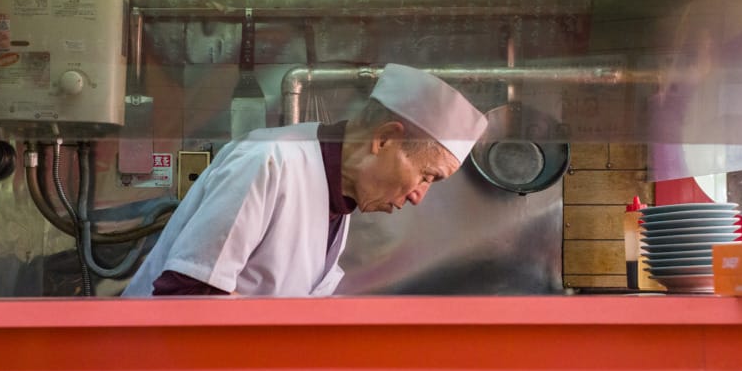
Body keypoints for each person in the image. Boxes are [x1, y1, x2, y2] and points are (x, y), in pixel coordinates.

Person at [121, 63, 488, 297]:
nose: (418, 196)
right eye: (426, 176)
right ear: (386, 139)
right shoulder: (270, 161)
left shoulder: (337, 198)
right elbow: (189, 292)